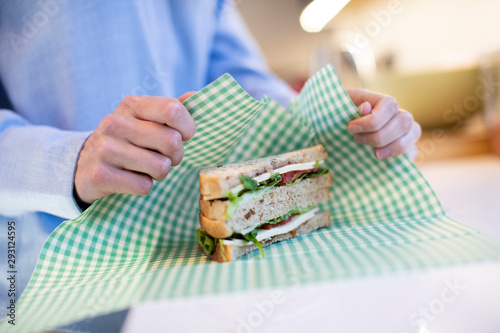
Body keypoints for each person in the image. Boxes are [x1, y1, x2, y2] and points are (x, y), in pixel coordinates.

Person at [0, 1, 420, 252]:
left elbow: (241, 80)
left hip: (180, 269)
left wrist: (327, 120)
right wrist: (69, 163)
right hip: (37, 290)